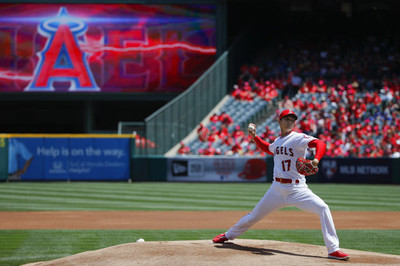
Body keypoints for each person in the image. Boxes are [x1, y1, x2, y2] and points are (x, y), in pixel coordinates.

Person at [212, 109, 350, 261]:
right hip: (276, 189)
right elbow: (268, 148)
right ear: (279, 121)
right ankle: (228, 235)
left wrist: (316, 159)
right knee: (253, 216)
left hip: (298, 189)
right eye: (287, 118)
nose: (290, 121)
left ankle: (333, 249)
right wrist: (254, 137)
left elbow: (320, 143)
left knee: (323, 208)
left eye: (292, 119)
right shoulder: (277, 141)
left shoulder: (298, 138)